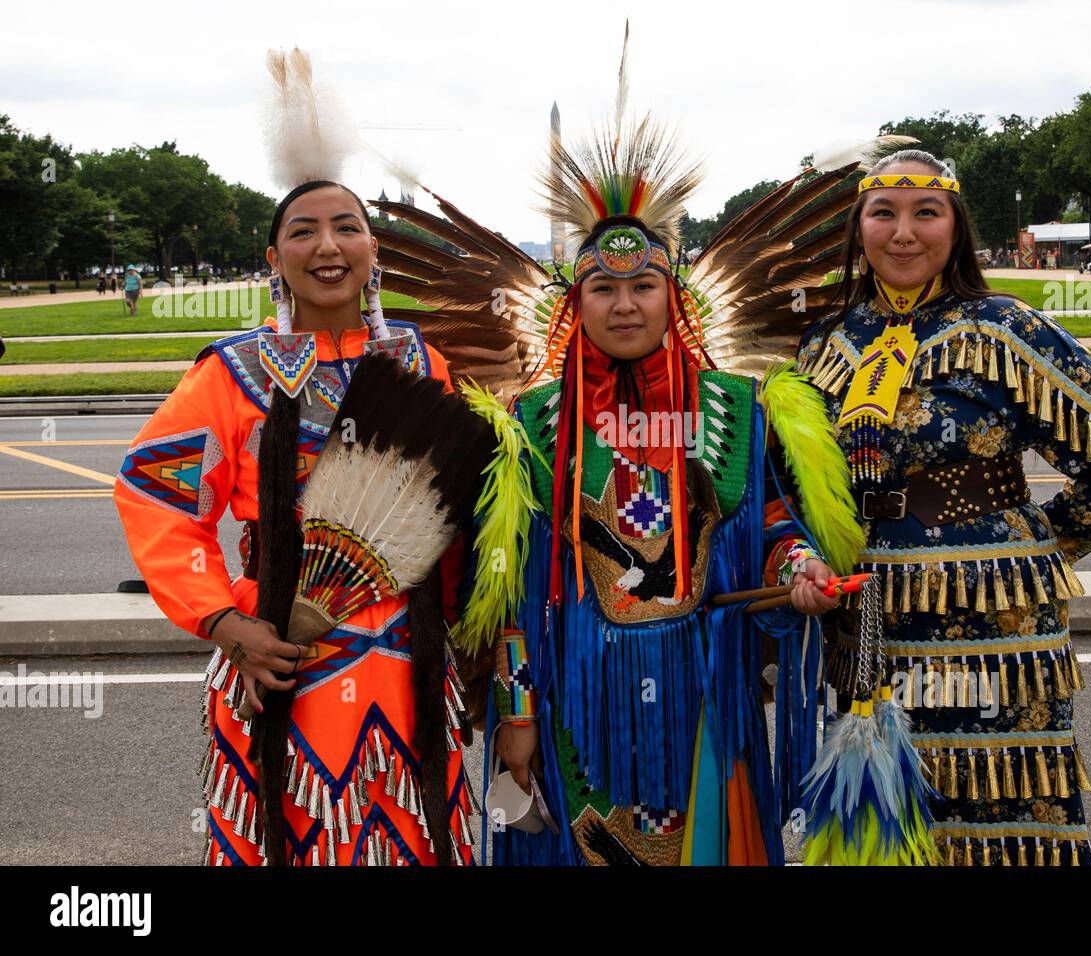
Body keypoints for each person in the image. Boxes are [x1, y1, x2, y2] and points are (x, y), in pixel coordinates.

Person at [371, 42, 887, 865]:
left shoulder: (739, 409)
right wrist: (514, 710)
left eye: (642, 286)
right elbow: (502, 584)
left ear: (671, 297)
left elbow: (780, 520)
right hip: (574, 694)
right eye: (602, 290)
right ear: (575, 303)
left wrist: (799, 568)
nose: (623, 304)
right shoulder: (532, 422)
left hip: (705, 687)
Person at [114, 49, 476, 866]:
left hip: (411, 669)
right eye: (302, 230)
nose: (328, 244)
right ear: (274, 258)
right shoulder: (232, 374)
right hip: (283, 666)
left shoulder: (419, 362)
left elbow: (456, 511)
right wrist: (227, 621)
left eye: (347, 226)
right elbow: (155, 491)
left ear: (374, 251)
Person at [797, 149, 1091, 866]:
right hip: (868, 623)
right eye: (883, 213)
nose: (903, 232)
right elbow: (793, 481)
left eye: (926, 213)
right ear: (859, 230)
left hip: (993, 621)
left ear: (957, 226)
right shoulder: (826, 343)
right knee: (883, 816)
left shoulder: (1008, 330)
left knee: (1002, 811)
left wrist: (1033, 550)